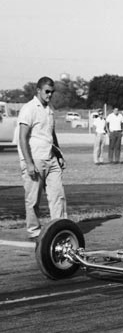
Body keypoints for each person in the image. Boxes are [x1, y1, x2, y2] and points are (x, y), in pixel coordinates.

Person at [17, 76, 67, 239]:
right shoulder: (29, 108)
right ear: (38, 90)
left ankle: (59, 228)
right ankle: (34, 231)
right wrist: (29, 163)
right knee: (33, 200)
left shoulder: (49, 109)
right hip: (35, 159)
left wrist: (58, 154)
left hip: (51, 158)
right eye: (47, 91)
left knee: (57, 195)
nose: (50, 95)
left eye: (52, 92)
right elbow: (22, 137)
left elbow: (51, 134)